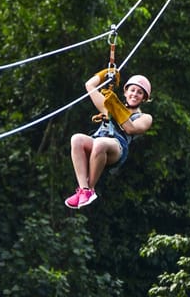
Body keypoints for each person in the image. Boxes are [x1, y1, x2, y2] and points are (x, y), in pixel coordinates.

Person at [65, 68, 153, 209]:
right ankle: (83, 189)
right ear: (125, 92)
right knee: (77, 139)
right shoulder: (111, 106)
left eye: (139, 92)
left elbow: (131, 128)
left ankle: (90, 188)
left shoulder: (145, 117)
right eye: (132, 90)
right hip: (99, 138)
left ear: (144, 98)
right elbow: (90, 86)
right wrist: (105, 74)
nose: (135, 94)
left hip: (118, 147)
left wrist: (115, 107)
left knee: (100, 144)